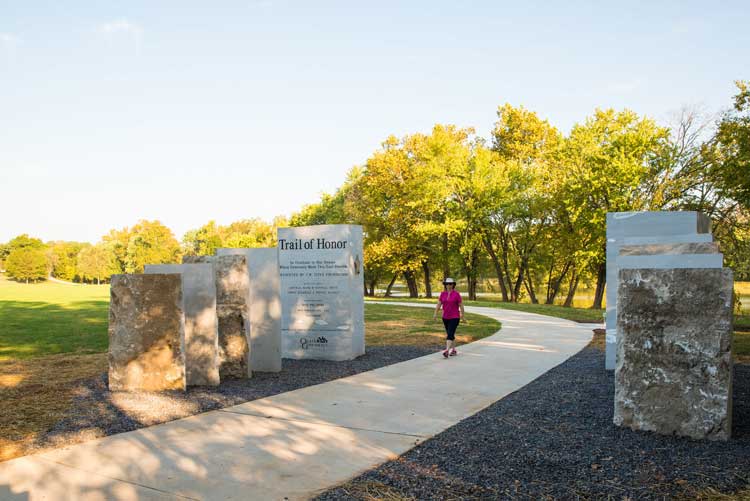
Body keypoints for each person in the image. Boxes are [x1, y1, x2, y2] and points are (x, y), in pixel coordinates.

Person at [433, 277, 464, 358]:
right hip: (445, 317)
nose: (449, 285)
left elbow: (461, 305)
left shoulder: (456, 294)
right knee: (450, 334)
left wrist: (463, 316)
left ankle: (446, 350)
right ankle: (453, 350)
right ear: (445, 285)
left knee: (450, 334)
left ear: (453, 285)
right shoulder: (443, 294)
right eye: (447, 284)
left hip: (455, 317)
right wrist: (435, 313)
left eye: (450, 284)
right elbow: (439, 304)